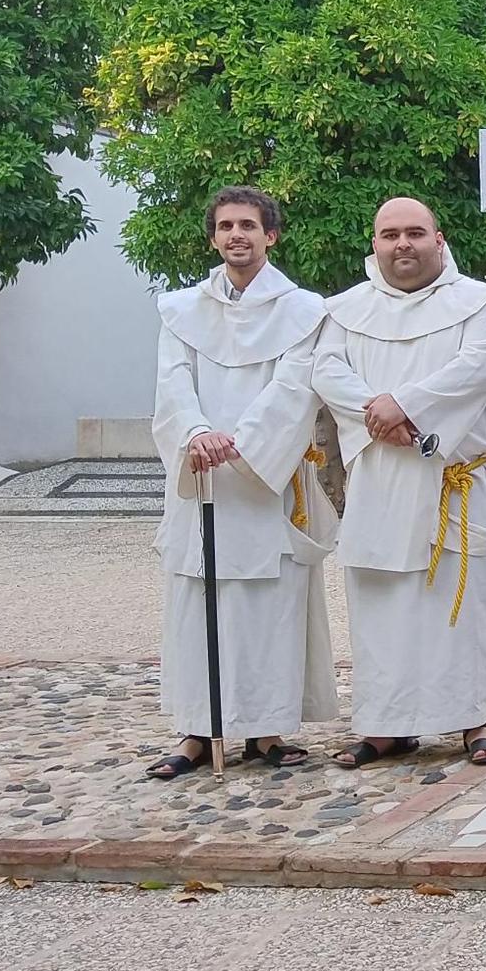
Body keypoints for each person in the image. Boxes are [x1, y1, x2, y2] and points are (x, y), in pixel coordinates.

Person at [312, 197, 486, 769]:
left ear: (439, 238)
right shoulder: (344, 310)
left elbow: (478, 366)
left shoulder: (479, 304)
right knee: (383, 604)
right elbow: (326, 369)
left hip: (452, 476)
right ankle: (385, 726)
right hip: (380, 475)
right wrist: (377, 412)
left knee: (459, 603)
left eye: (415, 233)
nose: (403, 244)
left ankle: (474, 717)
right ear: (373, 243)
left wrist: (406, 406)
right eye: (390, 234)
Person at [146, 188, 337, 778]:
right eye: (226, 226)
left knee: (267, 606)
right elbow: (172, 381)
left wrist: (245, 442)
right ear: (213, 237)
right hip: (200, 477)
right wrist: (198, 432)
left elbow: (294, 386)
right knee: (195, 604)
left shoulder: (303, 310)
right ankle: (197, 733)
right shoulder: (181, 309)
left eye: (248, 226)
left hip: (266, 481)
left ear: (270, 236)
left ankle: (267, 730)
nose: (237, 235)